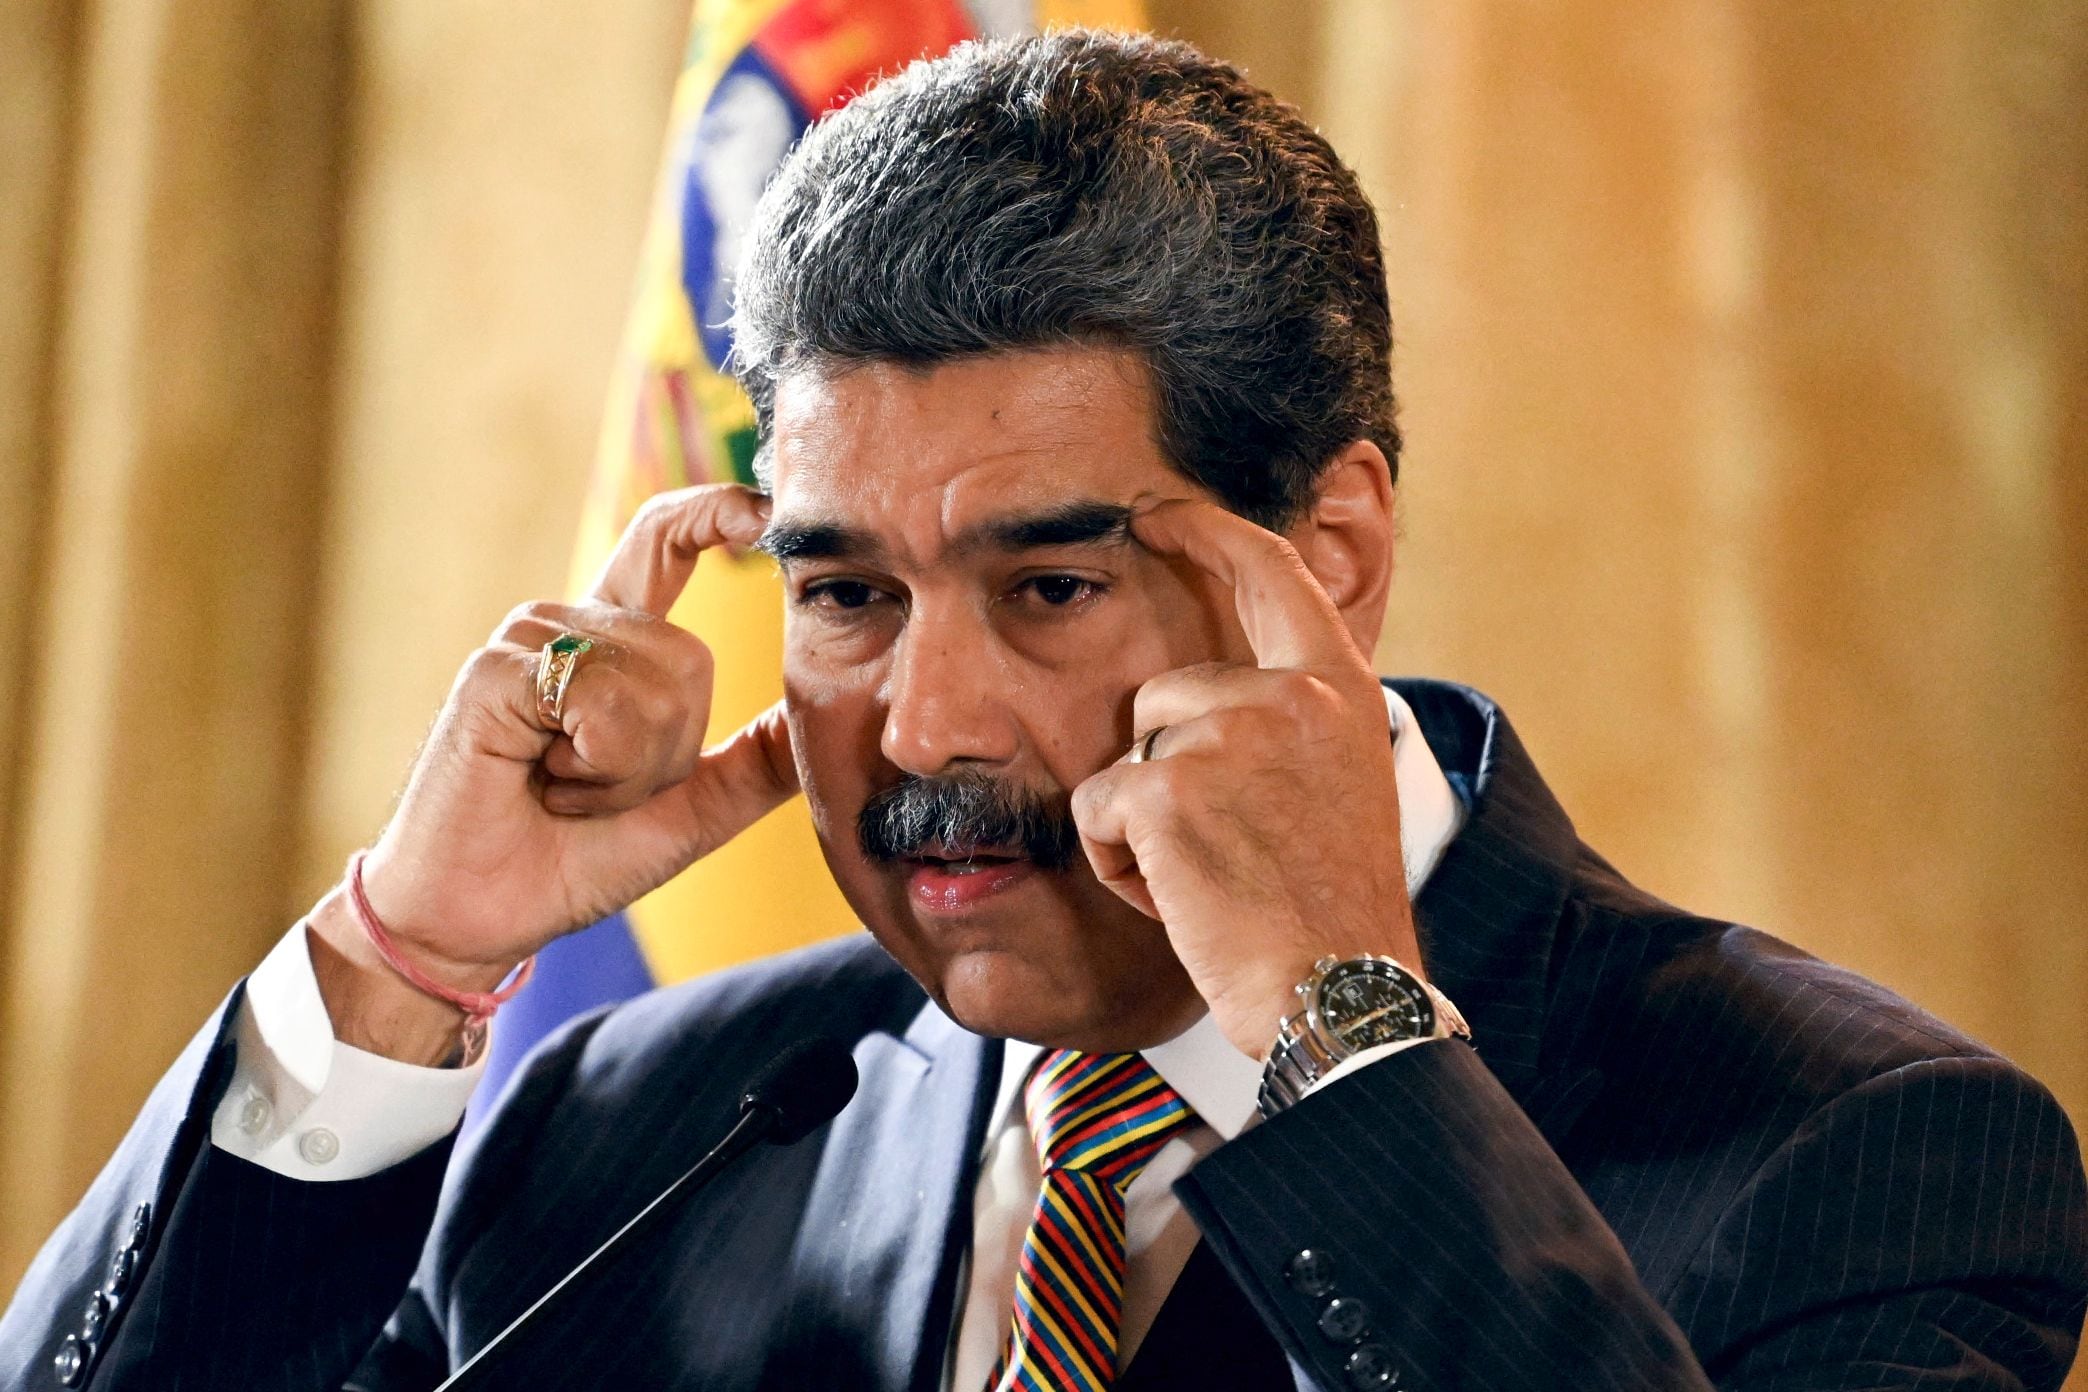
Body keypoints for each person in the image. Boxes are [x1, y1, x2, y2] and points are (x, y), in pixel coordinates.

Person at [3, 28, 2083, 1392]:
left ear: (1332, 557)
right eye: (844, 594)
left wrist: (1341, 1040)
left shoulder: (1864, 1154)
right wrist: (405, 957)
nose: (924, 729)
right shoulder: (637, 1124)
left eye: (1051, 587)